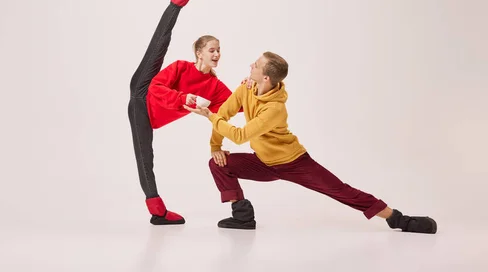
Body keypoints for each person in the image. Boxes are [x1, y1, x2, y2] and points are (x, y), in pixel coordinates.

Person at [184, 51, 438, 234]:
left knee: (340, 190)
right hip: (263, 161)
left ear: (266, 79)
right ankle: (242, 217)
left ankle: (398, 219)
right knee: (218, 164)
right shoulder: (245, 89)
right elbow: (225, 115)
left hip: (294, 162)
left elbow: (239, 135)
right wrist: (215, 146)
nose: (251, 64)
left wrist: (209, 115)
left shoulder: (275, 109)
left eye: (256, 65)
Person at [128, 0, 234, 225]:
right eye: (212, 50)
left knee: (147, 157)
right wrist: (183, 98)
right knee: (159, 46)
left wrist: (256, 89)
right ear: (199, 53)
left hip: (150, 114)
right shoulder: (180, 67)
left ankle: (156, 212)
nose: (217, 54)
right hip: (142, 96)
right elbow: (156, 87)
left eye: (219, 50)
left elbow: (234, 105)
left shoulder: (215, 86)